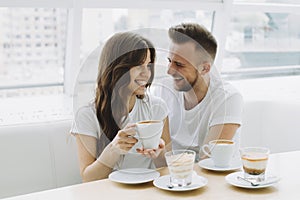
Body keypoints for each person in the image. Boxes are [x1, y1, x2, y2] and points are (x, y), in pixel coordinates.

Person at [71, 32, 171, 182]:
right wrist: (113, 150)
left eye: (149, 65)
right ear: (117, 69)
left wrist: (159, 155)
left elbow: (166, 169)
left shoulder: (157, 107)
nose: (147, 74)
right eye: (138, 66)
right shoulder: (87, 115)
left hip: (149, 189)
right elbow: (88, 178)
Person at [151, 23, 243, 161]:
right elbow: (161, 157)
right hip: (174, 174)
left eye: (179, 65)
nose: (169, 71)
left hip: (213, 177)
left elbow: (210, 161)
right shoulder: (163, 90)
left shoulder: (228, 98)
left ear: (204, 69)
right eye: (170, 61)